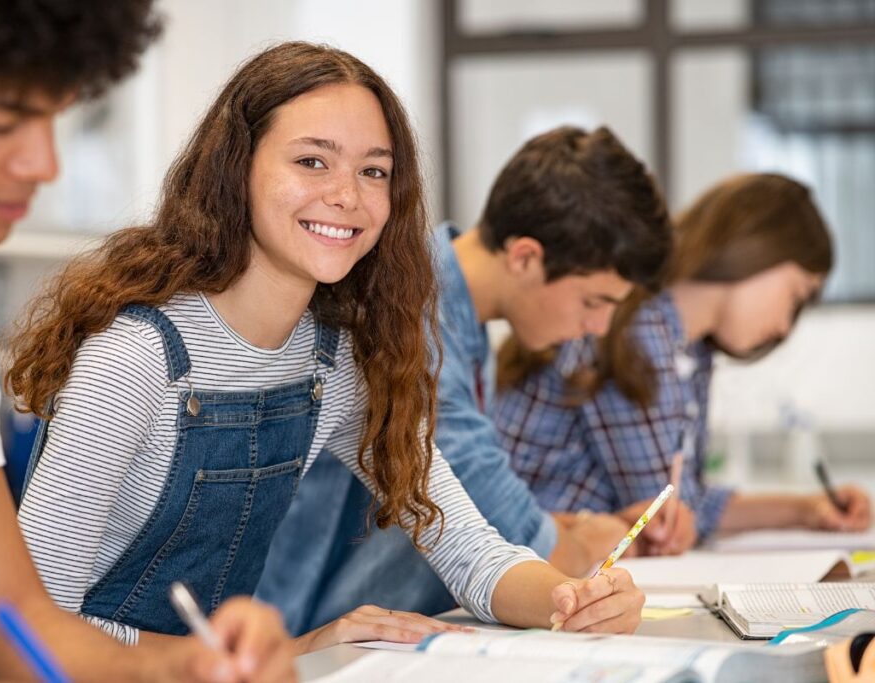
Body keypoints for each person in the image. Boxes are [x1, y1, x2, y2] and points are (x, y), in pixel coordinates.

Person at [6, 42, 646, 654]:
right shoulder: (136, 358)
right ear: (237, 168)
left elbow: (469, 548)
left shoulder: (337, 362)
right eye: (312, 161)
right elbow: (29, 622)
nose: (348, 195)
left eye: (374, 171)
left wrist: (572, 599)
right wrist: (286, 652)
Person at [0, 2, 293, 681]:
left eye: (55, 117)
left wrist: (186, 666)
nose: (44, 163)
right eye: (3, 120)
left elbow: (11, 626)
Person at [257, 125, 688, 638]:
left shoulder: (461, 314)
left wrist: (579, 528)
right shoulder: (410, 310)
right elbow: (487, 506)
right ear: (526, 257)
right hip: (307, 623)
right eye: (595, 302)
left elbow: (459, 516)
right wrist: (582, 544)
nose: (597, 328)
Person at [493, 173, 871, 545]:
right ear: (756, 249)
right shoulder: (635, 331)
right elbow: (667, 517)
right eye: (795, 295)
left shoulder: (687, 348)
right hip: (521, 562)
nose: (785, 327)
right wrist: (798, 510)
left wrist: (808, 510)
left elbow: (685, 502)